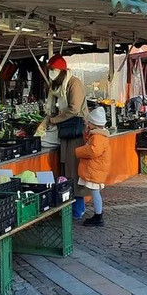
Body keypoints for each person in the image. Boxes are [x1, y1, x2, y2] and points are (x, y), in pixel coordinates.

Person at [37, 54, 89, 218]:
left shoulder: (74, 83)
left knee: (73, 169)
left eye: (52, 70)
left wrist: (54, 120)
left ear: (60, 70)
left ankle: (77, 208)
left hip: (75, 132)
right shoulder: (57, 86)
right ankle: (69, 203)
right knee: (66, 168)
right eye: (49, 70)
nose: (50, 73)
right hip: (65, 131)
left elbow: (74, 109)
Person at [75, 107, 111, 227]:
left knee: (95, 192)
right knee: (95, 192)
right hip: (97, 168)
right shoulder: (99, 136)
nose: (87, 123)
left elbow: (93, 151)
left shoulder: (97, 137)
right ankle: (98, 215)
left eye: (89, 122)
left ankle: (98, 216)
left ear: (93, 124)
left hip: (95, 169)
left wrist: (78, 151)